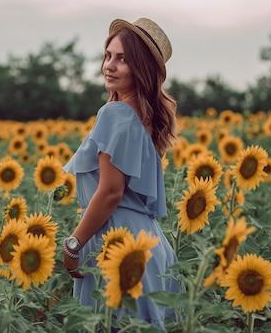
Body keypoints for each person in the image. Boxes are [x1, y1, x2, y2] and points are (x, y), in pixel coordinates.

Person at [62, 17, 181, 330]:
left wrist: (73, 244)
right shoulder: (145, 118)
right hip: (152, 246)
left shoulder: (114, 113)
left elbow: (111, 191)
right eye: (108, 56)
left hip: (118, 247)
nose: (109, 66)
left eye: (123, 59)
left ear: (141, 68)